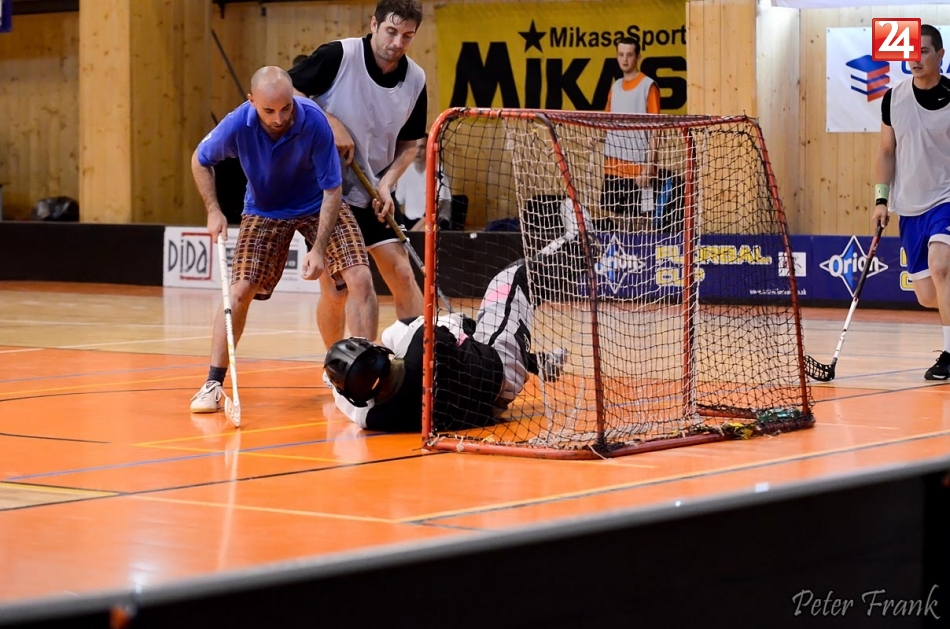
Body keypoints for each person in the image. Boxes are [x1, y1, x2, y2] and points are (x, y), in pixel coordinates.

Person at [189, 66, 376, 413]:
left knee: (359, 276)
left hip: (318, 202)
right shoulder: (236, 123)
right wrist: (213, 210)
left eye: (286, 108)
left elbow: (332, 189)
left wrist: (318, 249)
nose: (279, 118)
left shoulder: (314, 120)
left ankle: (362, 378)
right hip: (264, 208)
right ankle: (213, 383)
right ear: (252, 102)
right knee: (239, 291)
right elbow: (200, 161)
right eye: (269, 110)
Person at [290, 0, 427, 343]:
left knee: (401, 272)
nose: (397, 43)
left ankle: (416, 360)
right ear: (373, 24)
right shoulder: (339, 55)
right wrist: (329, 121)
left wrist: (387, 184)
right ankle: (338, 363)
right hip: (326, 189)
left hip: (373, 188)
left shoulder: (415, 79)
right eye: (391, 31)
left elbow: (409, 145)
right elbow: (288, 92)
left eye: (407, 36)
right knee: (337, 288)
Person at [323, 260, 568, 432]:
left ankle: (539, 362)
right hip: (502, 364)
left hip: (488, 407)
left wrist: (337, 379)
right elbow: (464, 324)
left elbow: (345, 398)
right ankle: (577, 243)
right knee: (512, 277)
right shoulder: (422, 340)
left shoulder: (373, 418)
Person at [873, 24, 950, 380]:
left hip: (946, 197)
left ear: (940, 55)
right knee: (927, 295)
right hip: (910, 205)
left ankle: (948, 354)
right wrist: (881, 199)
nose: (915, 59)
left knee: (941, 266)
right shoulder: (893, 98)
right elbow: (886, 151)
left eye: (923, 51)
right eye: (910, 53)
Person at [601, 36, 661, 218]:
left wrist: (649, 166)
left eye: (629, 55)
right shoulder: (615, 87)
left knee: (642, 221)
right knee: (617, 217)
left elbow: (656, 130)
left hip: (639, 166)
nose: (625, 59)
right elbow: (607, 122)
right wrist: (596, 138)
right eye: (621, 55)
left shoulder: (648, 86)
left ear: (638, 57)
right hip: (614, 166)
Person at [393, 134, 453, 231]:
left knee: (427, 228)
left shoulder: (438, 170)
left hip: (432, 220)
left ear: (429, 148)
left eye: (422, 147)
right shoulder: (405, 171)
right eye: (415, 147)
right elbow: (398, 201)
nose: (418, 151)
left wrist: (413, 231)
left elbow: (439, 204)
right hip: (410, 221)